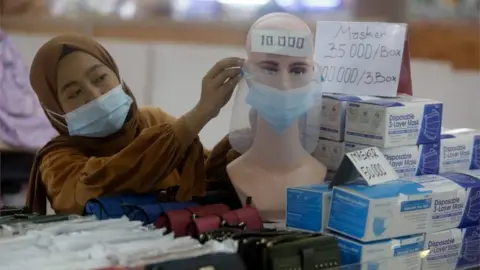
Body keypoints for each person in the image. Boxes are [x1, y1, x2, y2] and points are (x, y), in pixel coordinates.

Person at [27, 34, 243, 215]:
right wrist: (199, 114)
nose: (94, 95)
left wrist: (247, 138)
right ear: (55, 111)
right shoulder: (56, 162)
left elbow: (204, 177)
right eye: (74, 93)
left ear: (117, 75)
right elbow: (113, 177)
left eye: (100, 78)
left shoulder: (152, 121)